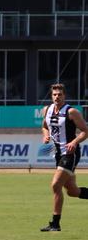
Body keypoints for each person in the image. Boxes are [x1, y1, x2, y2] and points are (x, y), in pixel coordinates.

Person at [40, 83, 88, 231]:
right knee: (72, 191)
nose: (57, 97)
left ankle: (55, 224)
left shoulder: (71, 112)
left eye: (60, 94)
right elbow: (44, 126)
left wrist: (74, 142)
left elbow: (85, 131)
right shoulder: (47, 110)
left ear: (64, 96)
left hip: (70, 153)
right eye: (54, 94)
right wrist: (46, 135)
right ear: (51, 96)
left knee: (55, 185)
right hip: (58, 154)